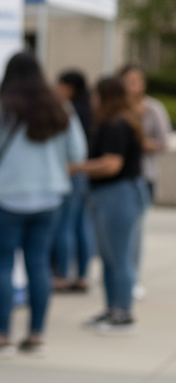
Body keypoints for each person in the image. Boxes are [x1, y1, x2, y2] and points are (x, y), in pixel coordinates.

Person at [0, 53, 86, 356]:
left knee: (4, 267)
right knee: (39, 266)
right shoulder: (60, 107)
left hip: (5, 197)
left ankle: (3, 335)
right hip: (49, 198)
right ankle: (36, 335)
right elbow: (78, 152)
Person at [74, 77, 147, 332]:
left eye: (96, 95)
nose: (92, 100)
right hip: (109, 195)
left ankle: (124, 313)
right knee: (108, 257)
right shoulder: (113, 122)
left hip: (119, 194)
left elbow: (112, 164)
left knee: (120, 256)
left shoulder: (117, 124)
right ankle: (112, 308)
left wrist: (77, 168)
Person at [118, 64, 170, 299]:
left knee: (135, 232)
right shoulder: (115, 109)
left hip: (143, 176)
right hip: (117, 179)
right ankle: (120, 273)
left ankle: (133, 277)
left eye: (136, 81)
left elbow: (163, 142)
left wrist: (142, 141)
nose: (132, 86)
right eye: (127, 80)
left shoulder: (153, 109)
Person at [52, 70, 95, 292]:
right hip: (83, 173)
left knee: (65, 226)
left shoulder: (65, 108)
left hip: (70, 170)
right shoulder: (89, 108)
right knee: (81, 225)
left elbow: (76, 149)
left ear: (69, 86)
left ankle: (62, 275)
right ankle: (82, 275)